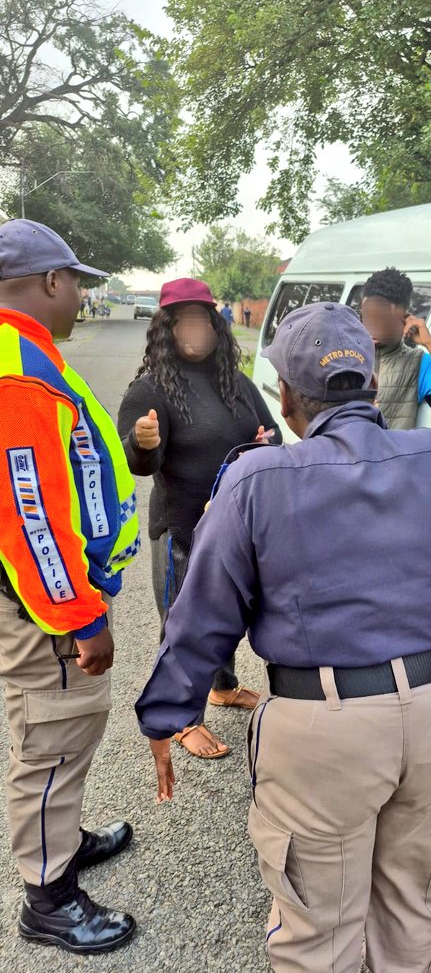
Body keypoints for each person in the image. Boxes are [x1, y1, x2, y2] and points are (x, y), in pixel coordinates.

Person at [135, 302, 431, 973]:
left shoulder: (255, 479)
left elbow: (203, 615)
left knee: (317, 927)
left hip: (325, 727)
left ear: (285, 398)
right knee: (413, 896)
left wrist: (166, 714)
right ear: (372, 380)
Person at [0, 219, 138, 953]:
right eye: (77, 283)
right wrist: (82, 616)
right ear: (52, 281)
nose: (81, 296)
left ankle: (62, 837)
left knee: (63, 733)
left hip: (43, 596)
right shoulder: (17, 367)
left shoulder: (27, 352)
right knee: (50, 738)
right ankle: (48, 897)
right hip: (47, 605)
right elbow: (31, 517)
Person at [118, 278, 281, 759]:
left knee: (228, 612)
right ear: (166, 328)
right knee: (182, 624)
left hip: (232, 525)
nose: (194, 328)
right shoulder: (151, 388)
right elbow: (138, 462)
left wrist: (264, 442)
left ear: (215, 325)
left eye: (202, 318)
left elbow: (270, 433)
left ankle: (223, 686)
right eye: (182, 320)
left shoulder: (235, 381)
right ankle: (182, 720)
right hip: (181, 527)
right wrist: (142, 443)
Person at [360, 267, 431, 429]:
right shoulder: (345, 354)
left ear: (404, 318)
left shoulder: (418, 362)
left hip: (392, 453)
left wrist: (430, 344)